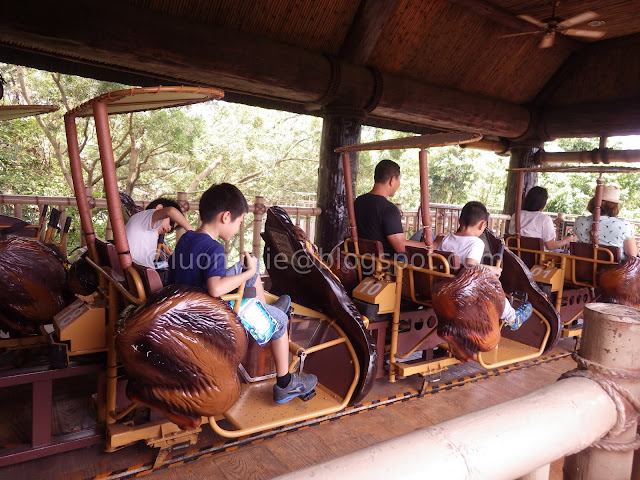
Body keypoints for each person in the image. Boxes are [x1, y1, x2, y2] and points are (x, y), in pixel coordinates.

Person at [168, 183, 317, 404]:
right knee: (281, 320)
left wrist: (248, 271)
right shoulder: (214, 248)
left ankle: (265, 311)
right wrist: (247, 272)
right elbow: (216, 288)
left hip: (187, 307)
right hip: (207, 317)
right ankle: (285, 383)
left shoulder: (188, 238)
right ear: (226, 216)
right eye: (239, 222)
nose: (238, 228)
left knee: (251, 268)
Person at [438, 201, 533, 330]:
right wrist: (493, 269)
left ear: (459, 221)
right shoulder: (476, 243)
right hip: (464, 290)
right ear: (483, 224)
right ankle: (512, 318)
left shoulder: (447, 238)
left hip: (444, 285)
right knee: (494, 286)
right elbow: (471, 265)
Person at [354, 159, 427, 256]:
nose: (399, 183)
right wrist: (431, 245)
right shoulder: (389, 209)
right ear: (392, 180)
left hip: (362, 260)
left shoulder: (358, 201)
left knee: (422, 232)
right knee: (433, 240)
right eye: (399, 179)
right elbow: (401, 247)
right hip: (388, 263)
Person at [125, 198, 194, 269]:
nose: (169, 228)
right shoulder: (146, 217)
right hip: (138, 274)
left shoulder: (149, 229)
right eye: (171, 222)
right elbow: (170, 211)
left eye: (171, 229)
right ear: (159, 208)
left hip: (140, 272)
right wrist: (194, 233)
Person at [573, 185, 638, 259]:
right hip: (614, 270)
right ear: (614, 207)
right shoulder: (624, 226)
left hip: (582, 268)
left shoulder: (579, 221)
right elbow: (632, 256)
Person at [508, 186, 575, 251]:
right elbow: (551, 246)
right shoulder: (545, 219)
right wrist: (565, 241)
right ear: (544, 204)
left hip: (516, 255)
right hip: (537, 259)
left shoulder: (516, 215)